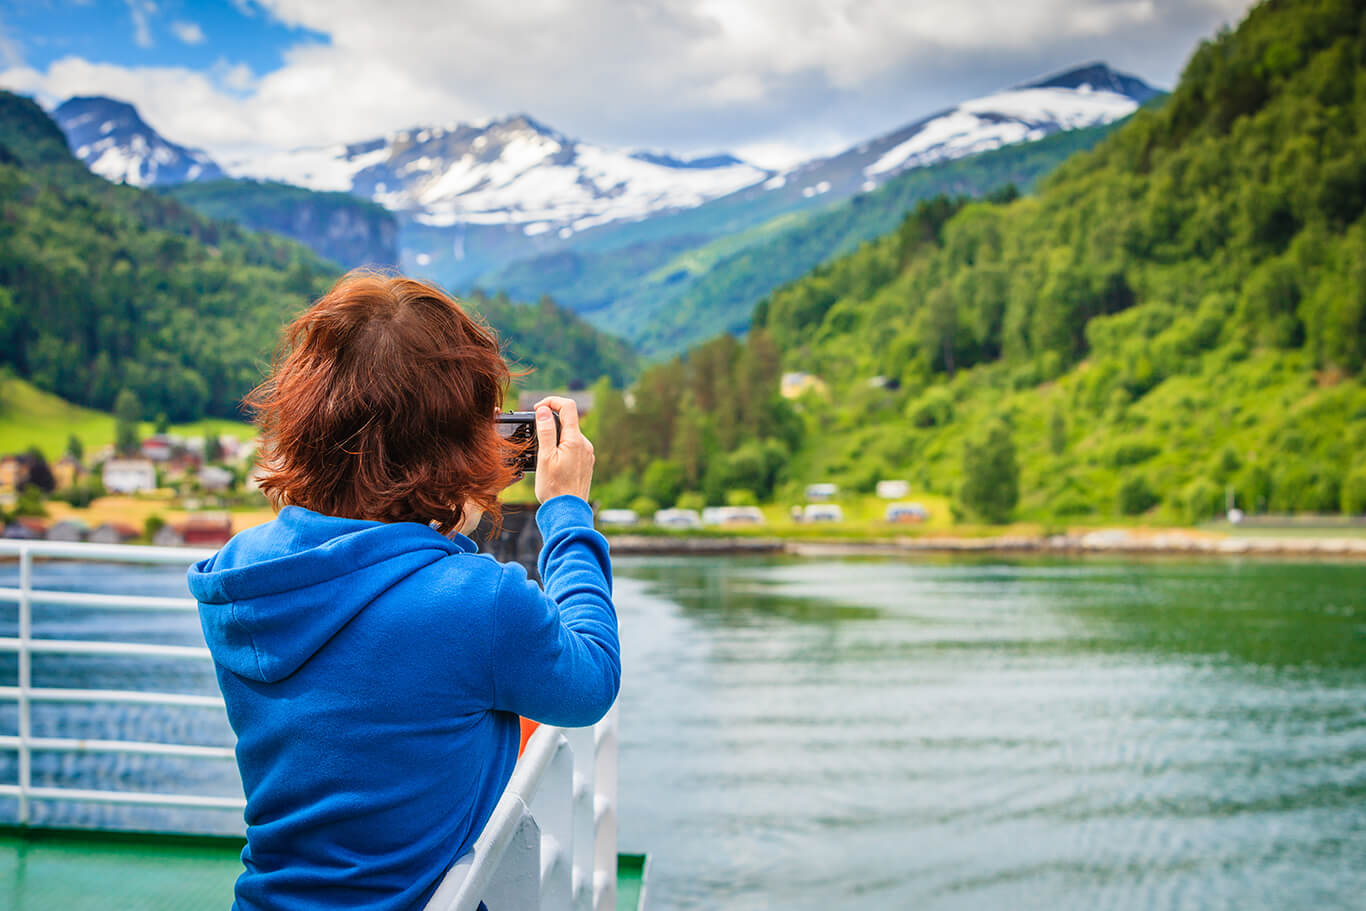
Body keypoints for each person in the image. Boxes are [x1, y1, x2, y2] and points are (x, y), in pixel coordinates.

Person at [187, 271, 619, 911]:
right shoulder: (476, 602)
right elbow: (589, 682)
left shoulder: (241, 570)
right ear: (451, 442)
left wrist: (444, 508)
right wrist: (566, 513)